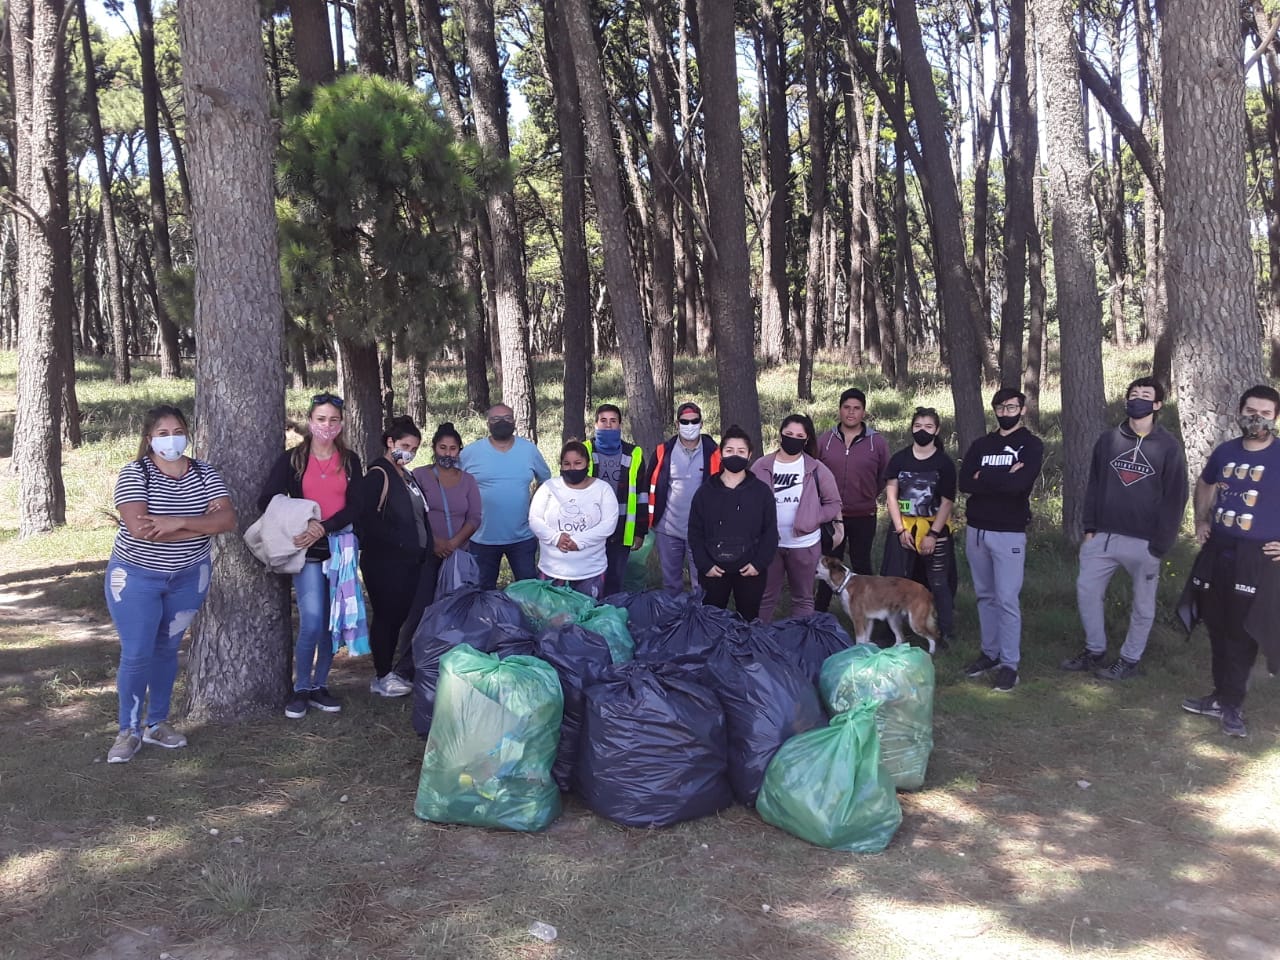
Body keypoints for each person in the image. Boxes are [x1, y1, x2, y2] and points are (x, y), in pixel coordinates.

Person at [105, 405, 237, 763]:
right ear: (149, 438)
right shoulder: (135, 473)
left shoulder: (205, 472)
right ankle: (128, 730)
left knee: (167, 649)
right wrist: (200, 523)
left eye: (178, 431)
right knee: (137, 653)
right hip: (135, 577)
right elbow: (142, 529)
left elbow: (227, 520)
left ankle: (157, 723)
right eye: (163, 434)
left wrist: (176, 521)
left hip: (189, 576)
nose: (172, 439)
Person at [1065, 377, 1188, 680]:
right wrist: (1090, 528)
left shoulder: (1169, 447)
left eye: (1146, 395)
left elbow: (1176, 497)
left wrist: (1160, 543)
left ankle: (1129, 660)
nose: (1138, 399)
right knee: (1087, 592)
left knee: (1142, 606)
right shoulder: (1108, 440)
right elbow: (1093, 484)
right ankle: (1095, 651)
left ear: (1157, 404)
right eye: (1134, 394)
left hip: (1145, 542)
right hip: (1103, 537)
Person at [1180, 385, 1280, 738]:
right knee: (1217, 626)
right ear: (1239, 412)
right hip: (1219, 550)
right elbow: (1206, 483)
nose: (1256, 419)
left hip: (1257, 557)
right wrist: (1201, 520)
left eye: (1265, 413)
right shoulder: (1225, 451)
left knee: (1241, 631)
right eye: (1251, 411)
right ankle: (1219, 696)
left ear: (1275, 417)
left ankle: (1232, 705)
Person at [259, 392, 364, 720]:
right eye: (321, 419)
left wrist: (325, 526)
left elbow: (357, 506)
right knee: (313, 620)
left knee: (331, 625)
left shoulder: (350, 461)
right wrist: (301, 521)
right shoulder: (294, 459)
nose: (327, 426)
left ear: (342, 423)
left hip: (339, 550)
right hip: (305, 552)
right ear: (309, 421)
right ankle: (301, 687)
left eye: (333, 420)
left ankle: (321, 685)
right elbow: (267, 499)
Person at [957, 387, 1044, 692]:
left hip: (1009, 532)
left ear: (1022, 410)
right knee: (985, 596)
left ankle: (1009, 665)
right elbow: (965, 482)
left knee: (1006, 599)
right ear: (994, 410)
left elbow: (1019, 486)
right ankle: (990, 654)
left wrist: (985, 477)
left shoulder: (1031, 445)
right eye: (1000, 407)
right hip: (976, 530)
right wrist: (1005, 474)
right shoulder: (981, 444)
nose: (1005, 412)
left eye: (1011, 407)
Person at [359, 417, 438, 698]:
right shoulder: (377, 475)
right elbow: (365, 520)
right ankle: (381, 675)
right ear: (390, 442)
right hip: (385, 562)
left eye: (414, 448)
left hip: (411, 562)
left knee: (398, 616)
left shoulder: (407, 475)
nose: (409, 452)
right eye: (405, 446)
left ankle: (390, 671)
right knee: (386, 617)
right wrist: (399, 543)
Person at [750, 414, 841, 621]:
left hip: (804, 545)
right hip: (769, 544)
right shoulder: (761, 466)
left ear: (806, 439)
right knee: (765, 597)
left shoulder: (816, 468)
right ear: (780, 435)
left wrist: (815, 517)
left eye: (799, 436)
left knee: (803, 599)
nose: (793, 439)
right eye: (789, 434)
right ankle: (759, 637)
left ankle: (801, 638)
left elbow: (834, 502)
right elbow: (747, 498)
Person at [882, 407, 958, 647]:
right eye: (918, 426)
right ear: (911, 428)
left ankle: (944, 632)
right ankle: (892, 633)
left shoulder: (944, 463)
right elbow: (891, 496)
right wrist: (900, 530)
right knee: (895, 581)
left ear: (936, 430)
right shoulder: (899, 459)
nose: (922, 431)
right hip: (903, 527)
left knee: (938, 582)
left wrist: (933, 534)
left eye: (928, 427)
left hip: (934, 529)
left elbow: (947, 502)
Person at [688, 426, 779, 621]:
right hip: (714, 571)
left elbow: (770, 533)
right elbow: (695, 533)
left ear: (749, 455)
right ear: (721, 453)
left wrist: (758, 564)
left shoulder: (762, 492)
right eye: (729, 450)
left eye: (741, 451)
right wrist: (705, 565)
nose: (735, 455)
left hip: (750, 571)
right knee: (711, 621)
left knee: (748, 621)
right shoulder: (705, 492)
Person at [460, 404, 551, 589]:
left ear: (514, 422)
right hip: (481, 537)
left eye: (507, 418)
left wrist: (535, 507)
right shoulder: (470, 452)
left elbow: (546, 481)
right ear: (488, 423)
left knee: (528, 591)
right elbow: (454, 482)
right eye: (496, 419)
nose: (502, 422)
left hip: (522, 536)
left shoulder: (529, 450)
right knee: (482, 592)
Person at [816, 387, 890, 612]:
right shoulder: (826, 440)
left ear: (863, 412)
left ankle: (868, 612)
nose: (851, 412)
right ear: (839, 410)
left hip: (863, 514)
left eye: (856, 408)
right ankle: (819, 614)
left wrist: (867, 495)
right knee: (828, 564)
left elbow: (884, 475)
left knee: (862, 564)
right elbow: (814, 473)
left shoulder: (876, 442)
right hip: (831, 516)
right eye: (846, 407)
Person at [527, 440, 620, 598]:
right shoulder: (548, 488)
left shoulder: (603, 489)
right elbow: (534, 519)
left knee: (587, 612)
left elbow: (609, 524)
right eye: (567, 464)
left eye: (577, 463)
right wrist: (556, 538)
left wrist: (579, 541)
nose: (572, 468)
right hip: (552, 571)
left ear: (587, 464)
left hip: (591, 571)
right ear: (561, 466)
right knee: (553, 613)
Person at [648, 401, 721, 595]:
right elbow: (650, 486)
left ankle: (699, 613)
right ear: (677, 424)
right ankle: (673, 613)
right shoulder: (663, 452)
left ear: (701, 423)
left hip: (701, 531)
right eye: (685, 422)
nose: (690, 426)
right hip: (668, 529)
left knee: (701, 583)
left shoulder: (714, 452)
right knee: (671, 584)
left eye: (694, 421)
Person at [585, 404, 650, 596]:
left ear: (620, 425)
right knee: (589, 581)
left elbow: (642, 495)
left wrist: (640, 531)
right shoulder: (584, 450)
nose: (608, 425)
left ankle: (611, 612)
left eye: (613, 421)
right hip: (590, 529)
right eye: (603, 421)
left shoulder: (633, 454)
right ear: (595, 424)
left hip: (621, 530)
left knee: (614, 580)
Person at [413, 421, 482, 567]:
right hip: (426, 553)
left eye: (453, 448)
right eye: (442, 448)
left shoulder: (468, 480)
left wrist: (453, 544)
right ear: (434, 448)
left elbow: (474, 517)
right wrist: (434, 542)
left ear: (459, 451)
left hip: (458, 553)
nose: (447, 453)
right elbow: (413, 514)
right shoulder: (419, 475)